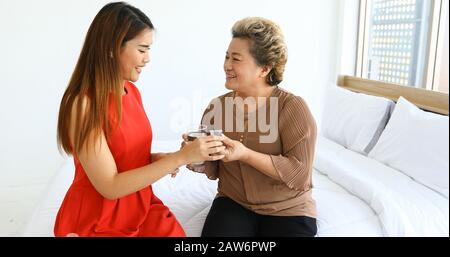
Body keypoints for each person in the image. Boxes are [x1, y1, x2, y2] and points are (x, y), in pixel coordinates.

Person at [54, 2, 225, 237]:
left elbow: (123, 154)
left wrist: (157, 160)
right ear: (112, 48)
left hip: (139, 204)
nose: (148, 59)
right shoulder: (83, 105)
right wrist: (181, 157)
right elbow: (110, 186)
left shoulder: (130, 92)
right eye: (142, 49)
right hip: (100, 216)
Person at [183, 17, 318, 237]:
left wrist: (244, 154)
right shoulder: (217, 107)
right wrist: (195, 155)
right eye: (227, 56)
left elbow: (300, 174)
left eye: (236, 59)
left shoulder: (292, 108)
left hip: (288, 209)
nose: (226, 65)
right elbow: (214, 168)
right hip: (234, 202)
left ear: (264, 69)